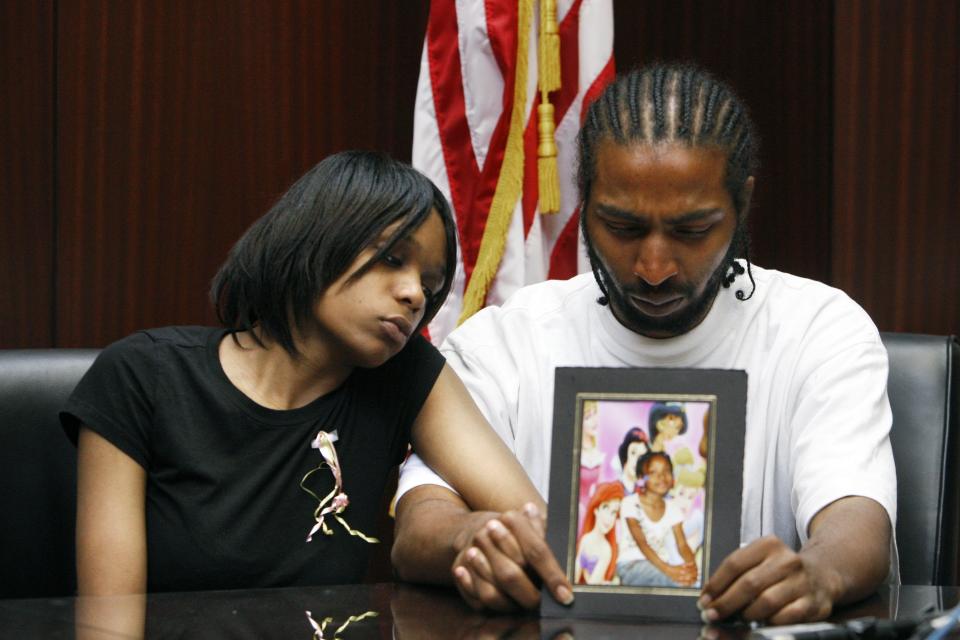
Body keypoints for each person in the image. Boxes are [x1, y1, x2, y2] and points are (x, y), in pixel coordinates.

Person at [391, 63, 896, 624]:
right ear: (585, 202)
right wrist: (468, 538)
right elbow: (420, 523)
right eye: (623, 228)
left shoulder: (819, 330)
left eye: (692, 231)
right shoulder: (505, 339)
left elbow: (857, 517)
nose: (654, 269)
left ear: (742, 205)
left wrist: (819, 571)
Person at [60, 150, 542, 595]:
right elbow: (109, 623)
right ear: (319, 237)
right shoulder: (142, 375)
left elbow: (537, 525)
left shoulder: (405, 375)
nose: (415, 294)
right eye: (393, 258)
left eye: (430, 284)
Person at [617, 452, 698, 588]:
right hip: (631, 565)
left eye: (666, 471)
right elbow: (642, 543)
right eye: (653, 472)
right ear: (642, 478)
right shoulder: (630, 503)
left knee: (689, 581)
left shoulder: (673, 507)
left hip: (660, 566)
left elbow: (682, 545)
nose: (662, 477)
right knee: (676, 582)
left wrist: (692, 568)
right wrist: (669, 570)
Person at [575, 482, 624, 585]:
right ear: (596, 509)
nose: (609, 518)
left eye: (614, 512)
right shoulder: (585, 539)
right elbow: (574, 576)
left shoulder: (606, 550)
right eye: (605, 508)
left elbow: (592, 586)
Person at [616, 426, 650, 493]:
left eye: (642, 456)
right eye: (633, 453)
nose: (638, 461)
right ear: (625, 456)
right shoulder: (613, 490)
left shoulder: (644, 491)